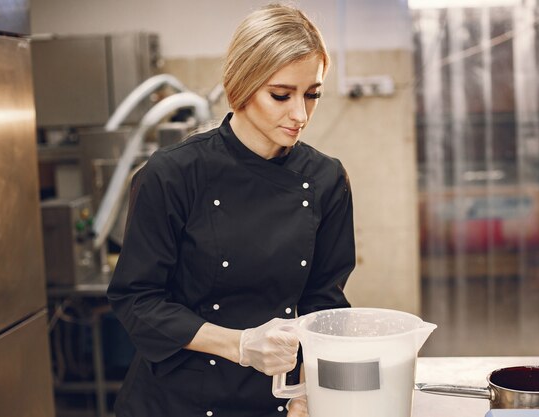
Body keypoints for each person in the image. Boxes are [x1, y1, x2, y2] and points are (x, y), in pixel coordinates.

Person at [107, 4, 356, 417]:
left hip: (274, 398)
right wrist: (240, 345)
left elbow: (323, 303)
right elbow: (137, 301)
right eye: (281, 95)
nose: (300, 115)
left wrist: (309, 389)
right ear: (241, 85)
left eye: (312, 94)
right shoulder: (171, 175)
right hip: (176, 399)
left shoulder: (326, 179)